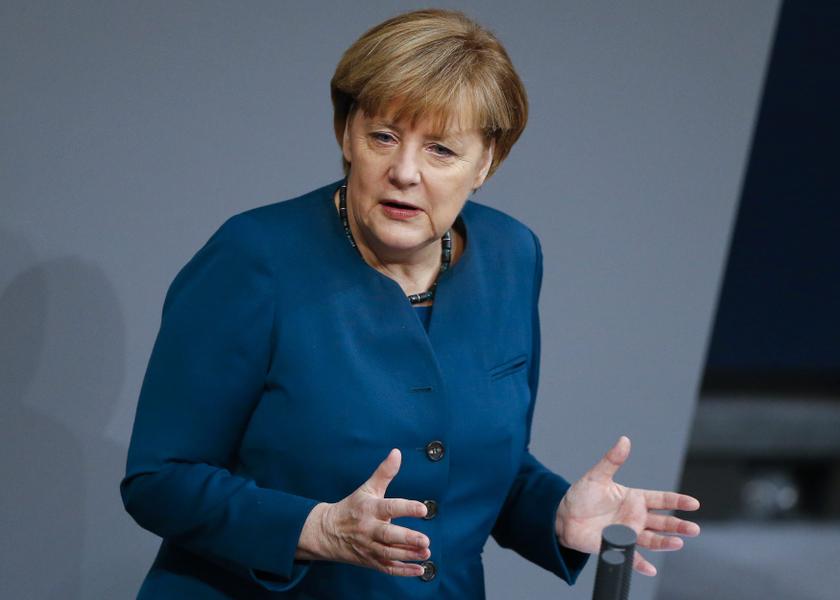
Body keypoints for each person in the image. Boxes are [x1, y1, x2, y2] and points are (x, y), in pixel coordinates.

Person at [121, 8, 700, 599]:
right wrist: (315, 528)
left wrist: (555, 514)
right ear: (346, 133)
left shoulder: (512, 258)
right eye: (384, 137)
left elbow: (471, 458)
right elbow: (160, 479)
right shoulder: (254, 259)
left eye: (441, 151)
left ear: (487, 163)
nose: (404, 172)